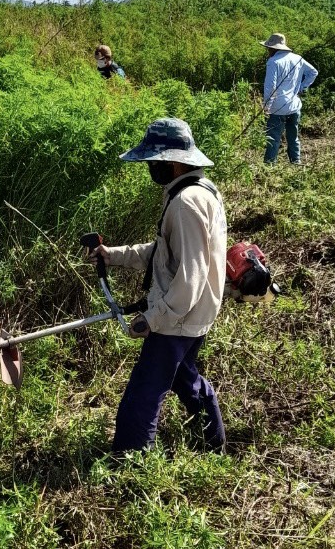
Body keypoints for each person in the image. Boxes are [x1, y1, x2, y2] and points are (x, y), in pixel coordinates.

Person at [87, 118, 228, 453]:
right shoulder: (197, 191)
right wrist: (113, 255)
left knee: (143, 393)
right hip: (194, 315)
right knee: (185, 378)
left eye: (154, 161)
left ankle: (130, 461)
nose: (151, 167)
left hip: (178, 319)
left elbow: (190, 277)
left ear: (174, 162)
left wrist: (153, 319)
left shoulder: (185, 204)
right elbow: (165, 254)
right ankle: (214, 442)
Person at [261, 33, 318, 165]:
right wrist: (301, 88)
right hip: (294, 106)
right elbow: (313, 72)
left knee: (273, 138)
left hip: (277, 108)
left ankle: (269, 166)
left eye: (268, 48)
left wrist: (266, 107)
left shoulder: (273, 62)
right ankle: (296, 162)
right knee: (293, 137)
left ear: (273, 48)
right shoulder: (298, 58)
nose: (268, 51)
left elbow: (270, 87)